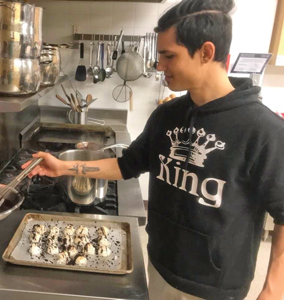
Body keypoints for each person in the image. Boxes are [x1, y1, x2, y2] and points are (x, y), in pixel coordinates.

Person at [23, 0, 284, 299]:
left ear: (206, 52)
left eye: (169, 56)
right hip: (159, 266)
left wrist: (274, 289)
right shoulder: (167, 114)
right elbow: (126, 165)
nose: (160, 65)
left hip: (215, 286)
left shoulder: (263, 130)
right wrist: (63, 167)